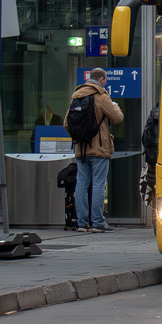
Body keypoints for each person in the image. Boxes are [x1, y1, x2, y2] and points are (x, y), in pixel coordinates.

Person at [65, 67, 123, 232]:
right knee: (98, 184)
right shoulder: (101, 96)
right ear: (102, 80)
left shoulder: (75, 97)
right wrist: (114, 105)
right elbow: (118, 118)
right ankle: (98, 222)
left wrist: (79, 137)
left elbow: (66, 123)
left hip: (80, 148)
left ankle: (82, 223)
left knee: (81, 183)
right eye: (105, 80)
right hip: (99, 148)